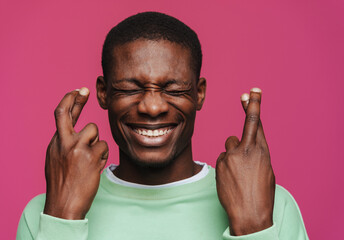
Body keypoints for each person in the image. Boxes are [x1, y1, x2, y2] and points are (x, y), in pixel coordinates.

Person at [17, 12, 308, 240]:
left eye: (174, 89)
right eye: (130, 89)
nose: (152, 107)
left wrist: (254, 228)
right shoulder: (46, 211)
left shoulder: (269, 204)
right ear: (104, 93)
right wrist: (62, 218)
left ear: (199, 93)